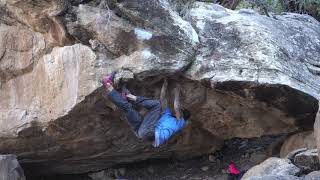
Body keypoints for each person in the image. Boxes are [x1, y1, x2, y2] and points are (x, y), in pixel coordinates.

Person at [102, 72, 191, 147]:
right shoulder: (167, 115)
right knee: (128, 108)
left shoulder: (180, 122)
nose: (177, 113)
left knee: (157, 105)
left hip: (148, 132)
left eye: (180, 113)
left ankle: (130, 96)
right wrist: (165, 84)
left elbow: (176, 106)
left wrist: (177, 92)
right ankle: (112, 88)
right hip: (141, 131)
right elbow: (163, 99)